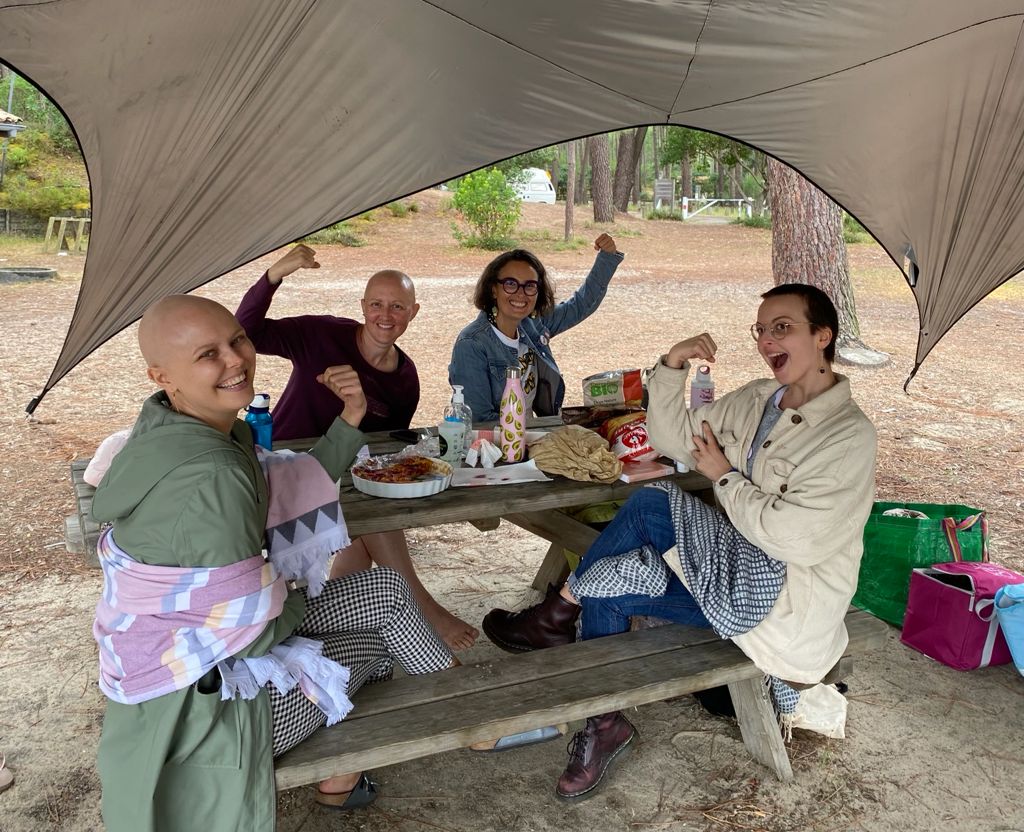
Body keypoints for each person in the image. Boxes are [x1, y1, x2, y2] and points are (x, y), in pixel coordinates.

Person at [481, 284, 877, 800]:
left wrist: (725, 477)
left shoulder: (847, 436)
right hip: (734, 570)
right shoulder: (760, 399)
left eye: (783, 327)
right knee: (625, 551)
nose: (767, 340)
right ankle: (602, 719)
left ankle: (556, 617)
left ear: (822, 336)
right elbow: (670, 438)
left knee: (648, 508)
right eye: (761, 329)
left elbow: (792, 539)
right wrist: (672, 364)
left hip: (782, 606)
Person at [91, 295, 457, 831]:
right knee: (380, 645)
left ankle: (464, 716)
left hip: (213, 652)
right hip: (205, 714)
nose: (235, 359)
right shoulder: (213, 477)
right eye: (207, 355)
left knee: (386, 593)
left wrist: (350, 417)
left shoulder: (188, 427)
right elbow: (254, 628)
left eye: (237, 340)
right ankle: (388, 757)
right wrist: (287, 601)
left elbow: (289, 480)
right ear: (162, 374)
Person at [236, 245, 478, 650]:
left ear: (413, 313)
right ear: (363, 306)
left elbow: (383, 449)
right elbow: (247, 332)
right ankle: (424, 609)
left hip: (345, 472)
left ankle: (341, 612)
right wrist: (275, 274)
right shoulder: (323, 335)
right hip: (286, 465)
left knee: (369, 509)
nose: (386, 316)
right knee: (376, 516)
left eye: (398, 307)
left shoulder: (405, 377)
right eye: (377, 305)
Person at [448, 233, 624, 422]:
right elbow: (479, 421)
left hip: (530, 434)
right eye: (510, 284)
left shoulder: (532, 324)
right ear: (493, 289)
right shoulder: (472, 344)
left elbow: (580, 305)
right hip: (500, 445)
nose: (520, 294)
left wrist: (606, 258)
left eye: (529, 286)